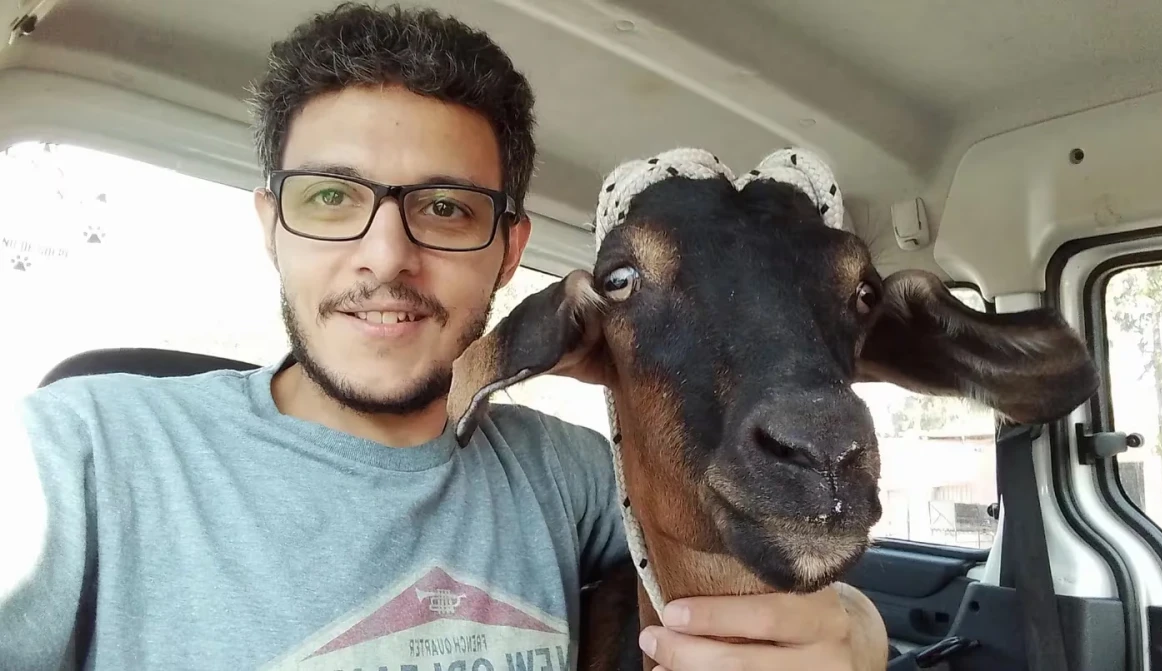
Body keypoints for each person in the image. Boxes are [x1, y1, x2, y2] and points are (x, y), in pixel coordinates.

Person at [0, 4, 878, 669]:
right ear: (271, 225)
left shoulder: (564, 473)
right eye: (331, 198)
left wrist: (860, 632)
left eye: (447, 208)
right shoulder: (79, 455)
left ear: (510, 250)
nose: (387, 259)